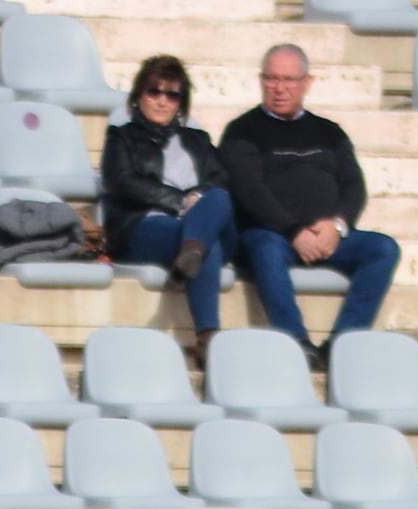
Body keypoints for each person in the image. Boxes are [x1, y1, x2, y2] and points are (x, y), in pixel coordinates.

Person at [219, 45, 397, 370]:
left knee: (383, 249)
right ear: (261, 81)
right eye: (272, 79)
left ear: (307, 83)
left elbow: (354, 186)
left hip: (329, 235)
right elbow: (249, 191)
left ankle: (343, 343)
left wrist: (338, 227)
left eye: (289, 79)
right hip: (273, 235)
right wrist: (293, 231)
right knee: (264, 247)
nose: (279, 88)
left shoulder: (329, 133)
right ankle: (296, 342)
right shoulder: (241, 131)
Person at [98, 57, 236, 362]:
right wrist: (181, 202)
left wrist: (198, 199)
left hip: (199, 224)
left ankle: (189, 253)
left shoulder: (197, 141)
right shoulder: (122, 137)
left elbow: (221, 179)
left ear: (181, 102)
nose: (162, 101)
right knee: (205, 248)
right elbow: (120, 180)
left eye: (171, 95)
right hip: (145, 227)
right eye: (153, 92)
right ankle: (207, 336)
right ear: (138, 96)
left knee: (220, 199)